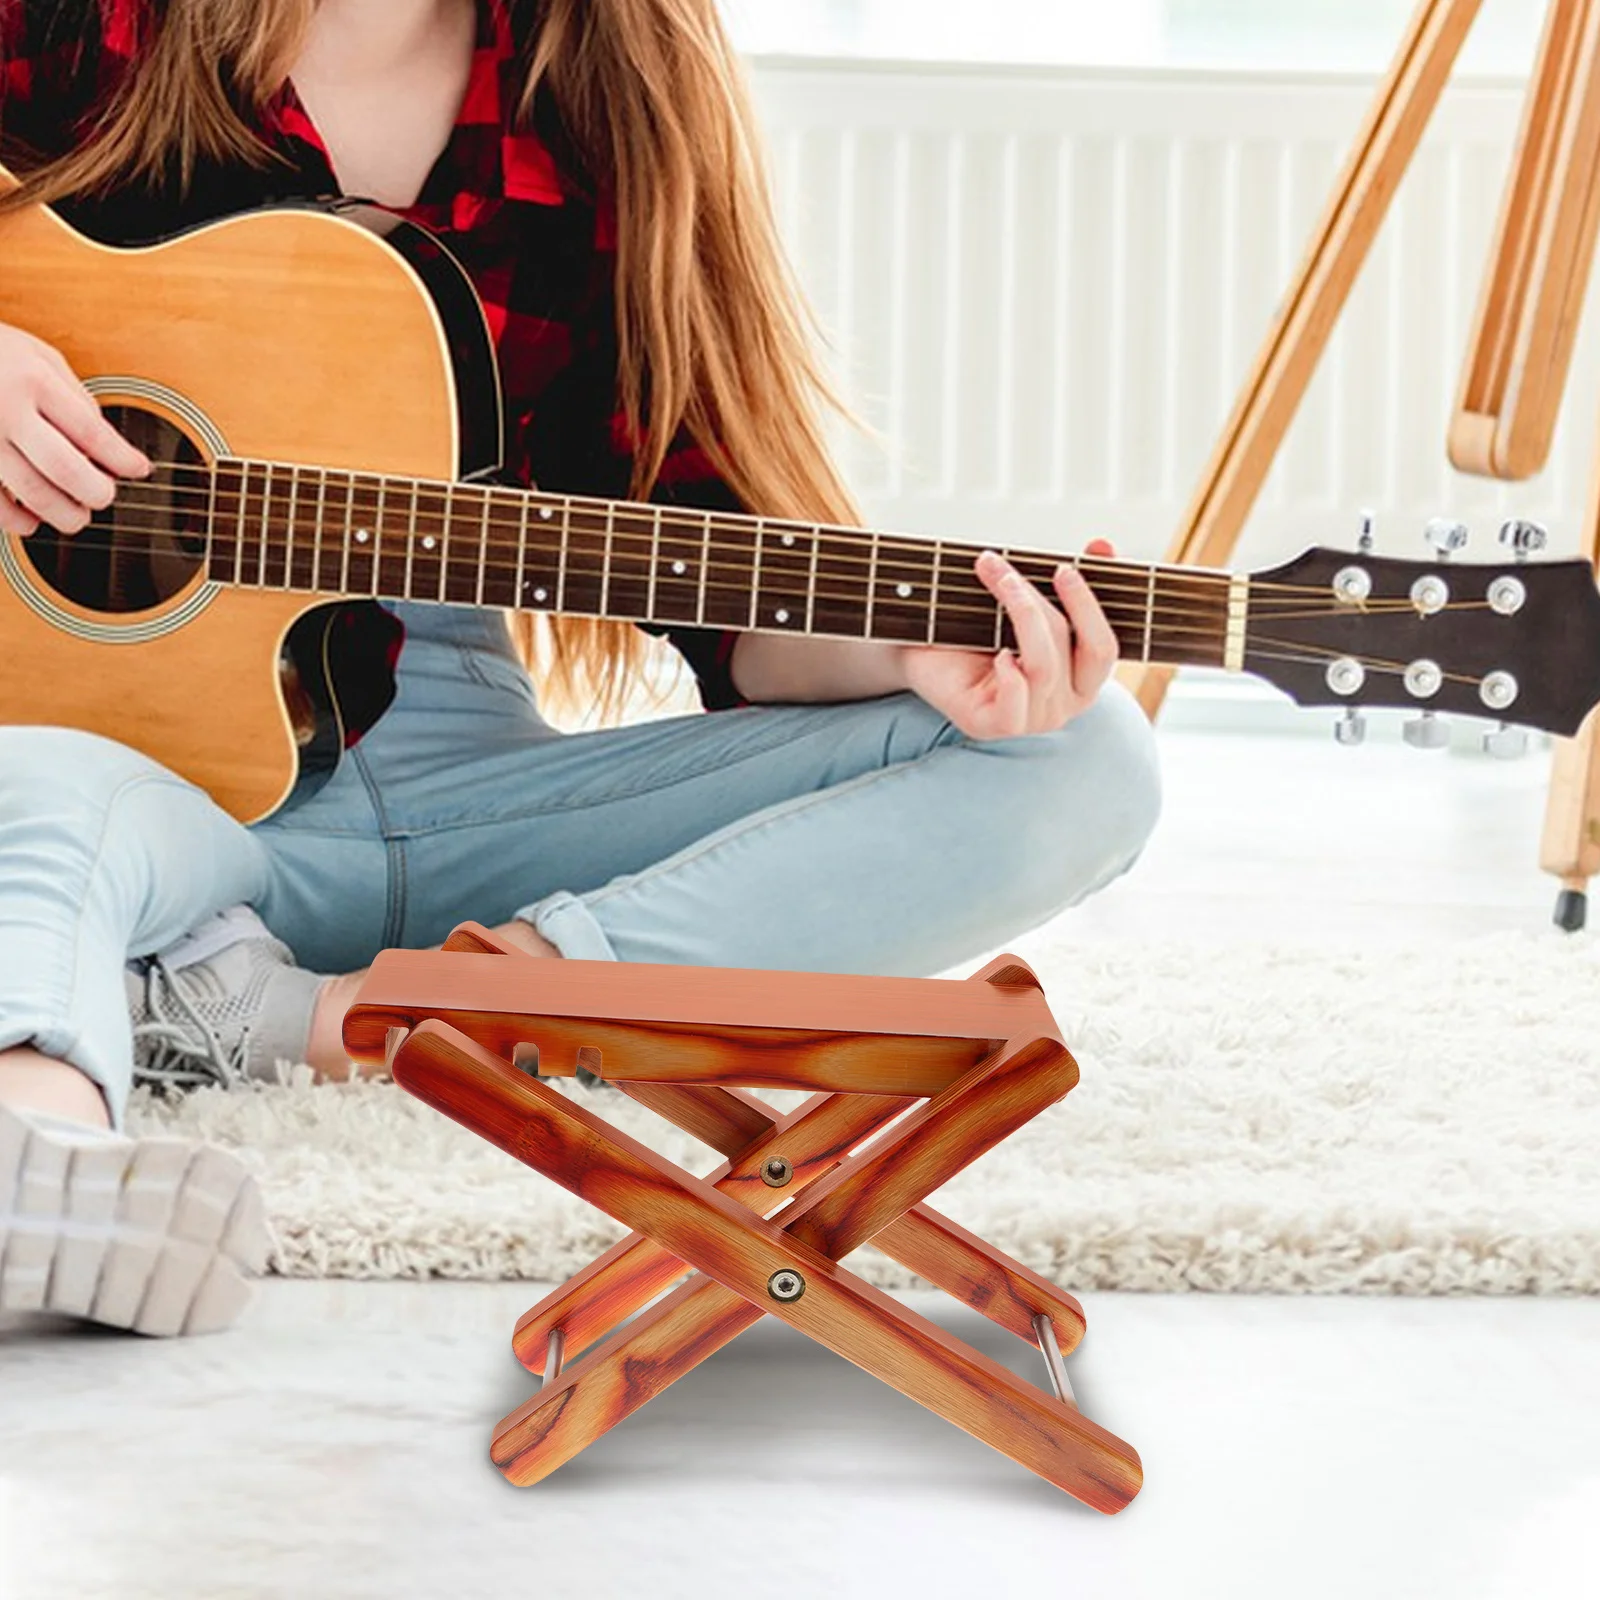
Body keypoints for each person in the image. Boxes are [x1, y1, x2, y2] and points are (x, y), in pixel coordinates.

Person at [0, 0, 1161, 1336]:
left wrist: (904, 642)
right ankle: (47, 1165)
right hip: (123, 770)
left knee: (1085, 758)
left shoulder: (622, 80)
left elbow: (715, 548)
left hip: (450, 770)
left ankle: (351, 1018)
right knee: (35, 804)